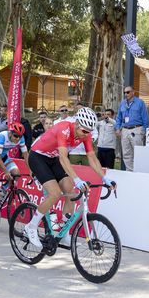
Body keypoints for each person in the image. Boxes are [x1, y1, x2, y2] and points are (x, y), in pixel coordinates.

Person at [23, 107, 115, 249]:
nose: (86, 135)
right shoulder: (63, 128)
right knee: (55, 193)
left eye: (89, 132)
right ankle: (31, 226)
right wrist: (77, 179)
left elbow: (91, 157)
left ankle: (63, 232)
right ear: (77, 124)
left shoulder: (86, 134)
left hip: (53, 158)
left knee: (70, 190)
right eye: (84, 131)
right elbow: (64, 158)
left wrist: (104, 178)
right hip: (38, 156)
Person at [115, 86, 149, 171]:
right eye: (125, 92)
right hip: (125, 129)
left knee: (138, 152)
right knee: (126, 153)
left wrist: (144, 130)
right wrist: (117, 128)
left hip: (136, 129)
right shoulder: (122, 103)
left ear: (133, 92)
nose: (126, 94)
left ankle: (139, 171)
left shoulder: (140, 102)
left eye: (128, 92)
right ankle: (129, 172)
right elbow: (118, 117)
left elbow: (145, 117)